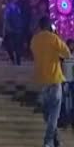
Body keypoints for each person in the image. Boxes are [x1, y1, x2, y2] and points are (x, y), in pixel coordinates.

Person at [30, 16, 72, 147]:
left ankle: (56, 140)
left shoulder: (35, 40)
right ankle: (48, 141)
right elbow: (67, 53)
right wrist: (57, 38)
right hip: (54, 80)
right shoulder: (54, 38)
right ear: (49, 26)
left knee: (48, 115)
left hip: (41, 81)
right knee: (54, 114)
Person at [4, 0, 24, 65]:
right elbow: (20, 18)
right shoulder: (17, 8)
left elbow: (5, 20)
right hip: (18, 29)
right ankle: (18, 61)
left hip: (11, 30)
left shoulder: (7, 9)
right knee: (17, 45)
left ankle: (13, 59)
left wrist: (7, 29)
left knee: (10, 46)